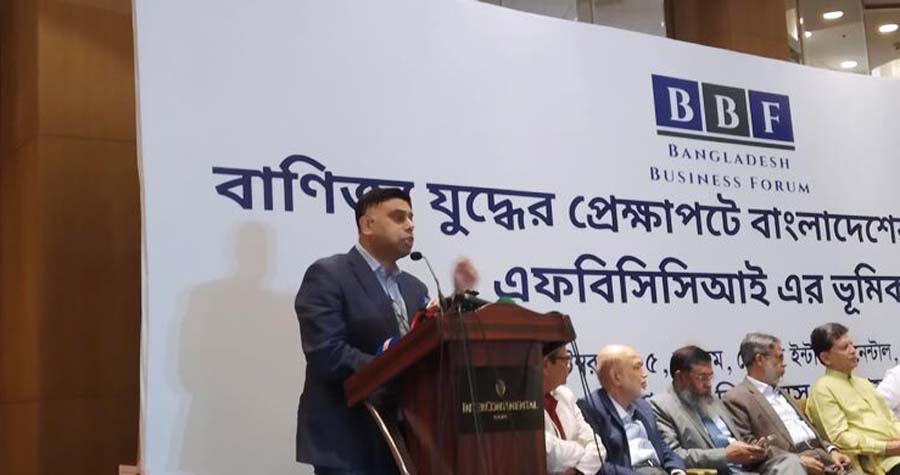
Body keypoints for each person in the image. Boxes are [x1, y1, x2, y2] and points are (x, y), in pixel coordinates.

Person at [294, 188, 478, 475]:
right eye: (398, 217)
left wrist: (456, 300)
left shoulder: (414, 287)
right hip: (349, 440)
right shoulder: (329, 275)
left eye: (411, 218)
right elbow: (326, 352)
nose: (410, 225)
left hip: (407, 439)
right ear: (367, 224)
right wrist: (395, 371)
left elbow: (424, 344)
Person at [651, 345, 804, 475]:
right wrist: (725, 455)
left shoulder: (711, 399)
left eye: (710, 377)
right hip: (717, 470)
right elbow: (675, 456)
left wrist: (753, 450)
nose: (708, 384)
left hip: (747, 468)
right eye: (702, 378)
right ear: (680, 377)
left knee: (789, 462)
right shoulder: (662, 406)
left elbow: (735, 440)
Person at [722, 333, 853, 475]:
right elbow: (750, 447)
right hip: (790, 466)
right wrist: (798, 461)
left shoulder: (782, 393)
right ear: (760, 359)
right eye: (779, 357)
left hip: (825, 460)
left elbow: (808, 431)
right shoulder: (737, 398)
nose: (784, 363)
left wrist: (831, 450)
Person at [806, 323, 900, 475]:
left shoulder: (864, 383)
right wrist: (887, 448)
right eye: (844, 348)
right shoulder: (823, 389)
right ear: (826, 358)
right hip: (877, 462)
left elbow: (891, 419)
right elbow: (839, 438)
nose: (853, 350)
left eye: (852, 345)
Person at [578, 345, 687, 475]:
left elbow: (662, 447)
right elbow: (597, 464)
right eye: (637, 367)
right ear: (616, 377)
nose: (644, 374)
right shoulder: (591, 408)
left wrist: (677, 470)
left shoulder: (643, 406)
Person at [544, 345, 606, 475]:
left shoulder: (566, 395)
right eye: (565, 359)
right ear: (545, 365)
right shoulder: (522, 403)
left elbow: (598, 447)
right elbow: (551, 455)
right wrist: (580, 447)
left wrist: (578, 471)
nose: (569, 366)